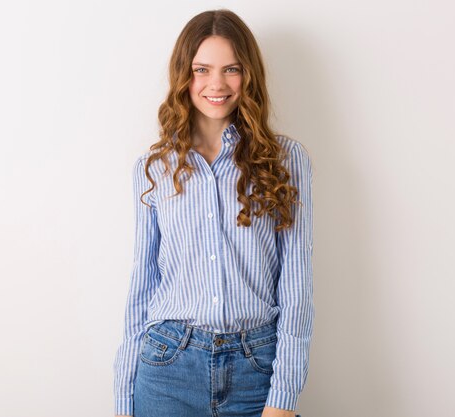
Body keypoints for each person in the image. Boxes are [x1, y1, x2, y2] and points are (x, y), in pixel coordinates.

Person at [113, 8, 313, 417]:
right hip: (167, 368)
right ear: (183, 77)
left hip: (256, 368)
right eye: (201, 69)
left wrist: (284, 396)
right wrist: (122, 400)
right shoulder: (154, 169)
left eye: (231, 69)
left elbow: (297, 289)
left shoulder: (287, 161)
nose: (216, 84)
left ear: (249, 75)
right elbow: (142, 287)